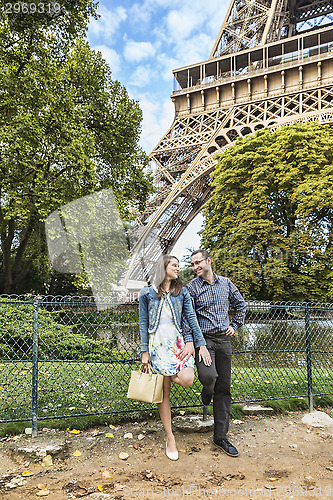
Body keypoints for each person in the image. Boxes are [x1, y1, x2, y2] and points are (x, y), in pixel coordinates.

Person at [139, 255, 212, 461]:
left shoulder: (182, 291)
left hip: (177, 344)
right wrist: (145, 351)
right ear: (163, 267)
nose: (178, 269)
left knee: (187, 379)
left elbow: (191, 319)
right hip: (157, 346)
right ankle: (170, 438)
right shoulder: (147, 293)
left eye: (179, 266)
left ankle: (165, 373)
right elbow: (143, 323)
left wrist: (200, 344)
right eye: (174, 265)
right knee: (164, 395)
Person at [181, 249, 246, 458]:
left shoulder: (226, 283)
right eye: (192, 264)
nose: (195, 267)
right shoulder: (191, 288)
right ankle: (206, 391)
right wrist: (194, 343)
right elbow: (186, 318)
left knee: (224, 389)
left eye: (198, 263)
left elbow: (241, 305)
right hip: (204, 341)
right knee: (209, 377)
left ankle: (220, 438)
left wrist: (234, 325)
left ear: (209, 261)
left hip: (224, 340)